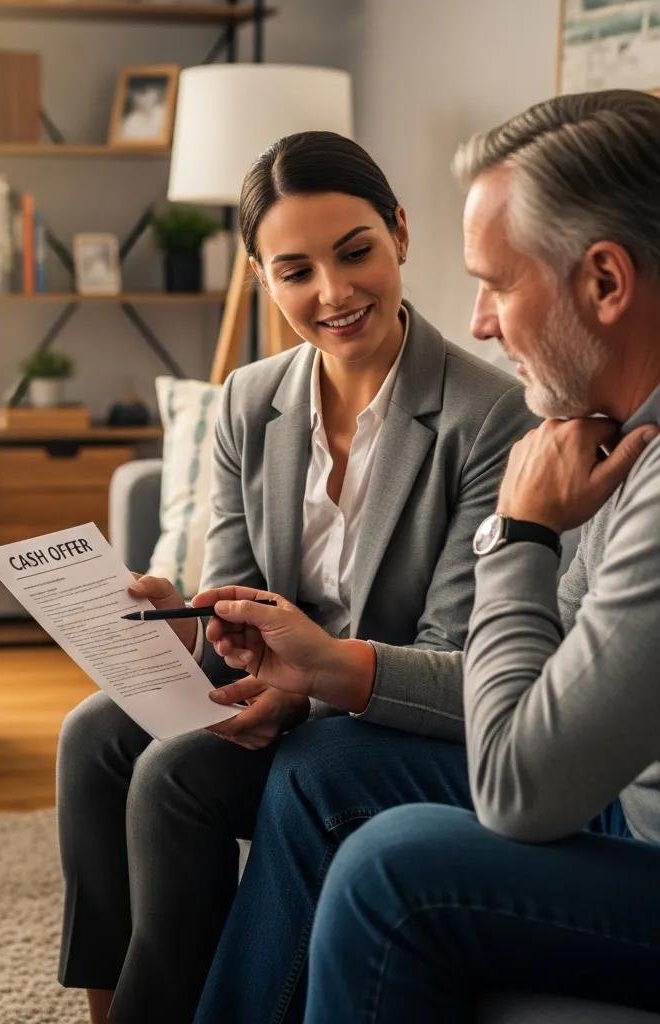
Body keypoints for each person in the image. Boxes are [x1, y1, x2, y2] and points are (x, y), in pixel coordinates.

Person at [194, 90, 660, 1023]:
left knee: (388, 867)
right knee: (319, 770)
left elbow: (520, 786)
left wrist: (521, 533)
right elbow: (554, 674)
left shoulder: (570, 451)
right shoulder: (609, 438)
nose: (479, 321)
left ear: (605, 282)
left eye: (498, 284)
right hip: (607, 782)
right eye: (295, 269)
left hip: (624, 816)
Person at [55, 131, 534, 1024]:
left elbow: (454, 652)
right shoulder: (250, 398)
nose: (334, 293)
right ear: (261, 278)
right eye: (296, 271)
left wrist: (302, 694)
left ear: (399, 232)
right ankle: (108, 1007)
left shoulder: (489, 416)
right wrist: (187, 621)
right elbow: (235, 597)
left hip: (385, 714)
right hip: (281, 687)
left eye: (354, 253)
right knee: (94, 736)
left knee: (175, 774)